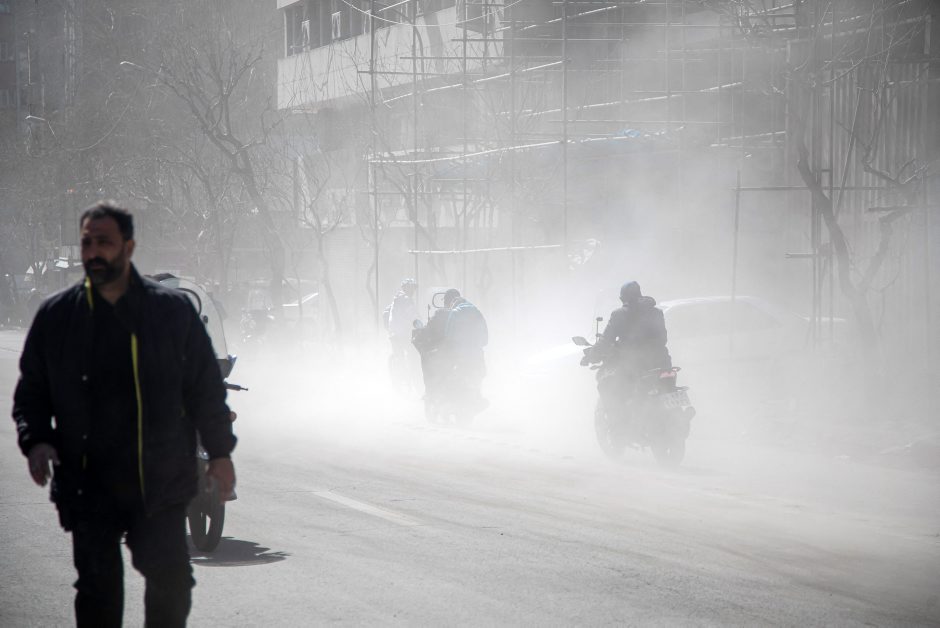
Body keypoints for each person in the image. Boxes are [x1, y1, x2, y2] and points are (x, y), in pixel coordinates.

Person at [12, 201, 237, 628]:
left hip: (160, 483)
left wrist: (221, 454)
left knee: (171, 584)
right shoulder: (58, 316)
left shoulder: (172, 312)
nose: (94, 252)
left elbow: (205, 389)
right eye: (88, 243)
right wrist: (36, 439)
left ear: (128, 247)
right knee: (98, 593)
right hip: (88, 483)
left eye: (105, 242)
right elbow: (32, 392)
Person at [583, 281, 672, 409]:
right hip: (662, 363)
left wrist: (592, 355)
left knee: (606, 385)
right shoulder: (656, 312)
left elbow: (606, 340)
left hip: (634, 366)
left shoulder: (619, 314)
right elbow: (663, 338)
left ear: (623, 298)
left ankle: (618, 421)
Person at [387, 278, 420, 389]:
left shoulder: (396, 300)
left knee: (399, 356)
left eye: (414, 288)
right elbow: (413, 315)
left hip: (393, 334)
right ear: (405, 288)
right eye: (411, 288)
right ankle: (413, 377)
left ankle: (398, 378)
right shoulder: (406, 299)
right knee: (414, 353)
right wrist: (420, 324)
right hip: (403, 334)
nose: (413, 291)